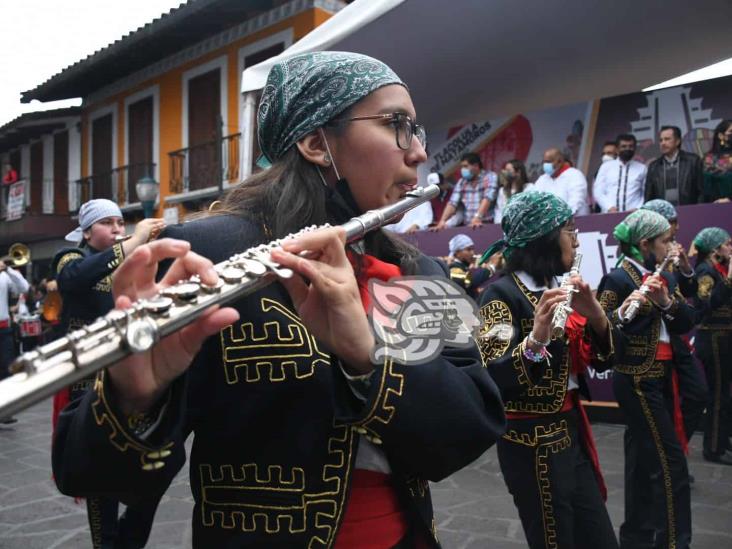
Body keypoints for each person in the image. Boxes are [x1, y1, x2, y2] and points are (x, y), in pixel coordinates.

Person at [52, 51, 507, 548]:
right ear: (317, 143)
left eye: (417, 129)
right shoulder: (203, 254)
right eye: (397, 124)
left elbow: (470, 429)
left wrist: (367, 357)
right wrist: (132, 396)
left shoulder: (422, 271)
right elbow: (90, 477)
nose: (418, 152)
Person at [478, 191, 619, 549]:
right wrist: (536, 340)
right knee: (554, 540)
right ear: (543, 238)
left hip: (572, 431)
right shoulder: (500, 295)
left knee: (599, 537)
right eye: (568, 229)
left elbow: (604, 361)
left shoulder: (563, 287)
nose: (576, 238)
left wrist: (598, 317)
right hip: (531, 443)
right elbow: (493, 378)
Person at [52, 198, 165, 549]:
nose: (118, 228)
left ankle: (130, 540)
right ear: (86, 232)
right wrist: (135, 240)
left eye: (121, 222)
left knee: (154, 463)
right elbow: (73, 281)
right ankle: (106, 542)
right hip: (89, 383)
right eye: (107, 223)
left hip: (130, 375)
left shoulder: (131, 260)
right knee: (101, 470)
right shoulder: (71, 258)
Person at [597, 209, 695, 548]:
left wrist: (666, 301)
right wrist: (626, 310)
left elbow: (686, 321)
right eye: (665, 240)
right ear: (644, 244)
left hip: (662, 376)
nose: (670, 247)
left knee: (642, 463)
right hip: (637, 378)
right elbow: (601, 326)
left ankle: (637, 537)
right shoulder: (619, 278)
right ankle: (674, 541)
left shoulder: (661, 276)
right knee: (671, 465)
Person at [640, 199, 707, 451]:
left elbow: (690, 291)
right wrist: (663, 264)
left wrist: (685, 267)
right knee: (664, 406)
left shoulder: (673, 250)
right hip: (654, 342)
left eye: (675, 223)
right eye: (670, 224)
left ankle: (676, 452)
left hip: (676, 336)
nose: (675, 229)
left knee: (697, 394)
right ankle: (669, 458)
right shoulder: (643, 254)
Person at [691, 227, 732, 465]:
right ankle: (713, 448)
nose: (729, 248)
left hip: (724, 337)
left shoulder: (719, 268)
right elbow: (705, 306)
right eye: (726, 244)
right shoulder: (705, 272)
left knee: (725, 393)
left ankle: (723, 439)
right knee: (717, 394)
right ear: (715, 249)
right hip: (712, 338)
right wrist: (728, 281)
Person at [434, 152, 498, 229]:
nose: (463, 170)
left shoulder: (490, 177)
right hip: (468, 226)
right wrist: (442, 221)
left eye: (465, 166)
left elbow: (487, 198)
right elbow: (452, 203)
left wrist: (478, 217)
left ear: (476, 166)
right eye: (462, 167)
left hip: (486, 224)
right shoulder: (462, 182)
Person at [0, 254, 29, 424]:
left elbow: (24, 288)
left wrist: (9, 269)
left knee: (6, 369)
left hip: (4, 329)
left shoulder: (4, 276)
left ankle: (4, 410)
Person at [645, 126, 704, 206]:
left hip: (690, 211)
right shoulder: (654, 166)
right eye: (661, 140)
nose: (663, 143)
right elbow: (649, 197)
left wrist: (699, 210)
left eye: (667, 139)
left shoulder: (693, 161)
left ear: (677, 141)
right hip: (663, 215)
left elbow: (702, 191)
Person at [594, 133, 647, 213]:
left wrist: (638, 208)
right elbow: (598, 191)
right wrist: (609, 207)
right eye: (624, 146)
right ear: (617, 149)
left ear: (635, 148)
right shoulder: (606, 167)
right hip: (609, 215)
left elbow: (645, 193)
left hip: (634, 216)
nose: (627, 149)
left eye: (630, 146)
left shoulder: (642, 168)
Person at [532, 147, 590, 215]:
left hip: (574, 222)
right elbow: (534, 200)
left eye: (548, 162)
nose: (545, 165)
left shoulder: (575, 175)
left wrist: (559, 218)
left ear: (560, 162)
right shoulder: (542, 179)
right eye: (544, 162)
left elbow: (576, 202)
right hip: (547, 222)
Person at [447, 234, 497, 300]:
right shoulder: (453, 268)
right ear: (457, 253)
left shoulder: (463, 268)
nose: (472, 253)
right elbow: (470, 282)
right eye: (468, 249)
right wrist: (492, 266)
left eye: (473, 249)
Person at [493, 159, 533, 224]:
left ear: (518, 172)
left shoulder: (529, 188)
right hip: (504, 228)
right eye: (505, 170)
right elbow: (499, 211)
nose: (505, 172)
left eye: (508, 170)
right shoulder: (502, 190)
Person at [702, 119, 732, 202]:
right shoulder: (709, 158)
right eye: (731, 131)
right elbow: (706, 188)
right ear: (721, 136)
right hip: (718, 206)